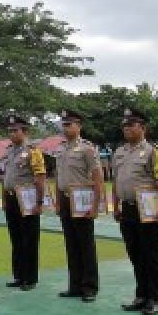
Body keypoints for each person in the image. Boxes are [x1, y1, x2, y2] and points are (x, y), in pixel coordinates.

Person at [110, 107, 158, 315]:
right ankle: (141, 294)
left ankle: (154, 298)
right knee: (135, 253)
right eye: (124, 125)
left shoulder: (154, 152)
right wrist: (116, 204)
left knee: (152, 254)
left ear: (142, 128)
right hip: (127, 208)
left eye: (131, 125)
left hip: (148, 208)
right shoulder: (119, 152)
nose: (126, 128)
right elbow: (116, 181)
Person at [55, 109, 106, 303]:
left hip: (82, 199)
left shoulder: (87, 149)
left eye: (69, 124)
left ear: (79, 126)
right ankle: (74, 285)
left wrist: (95, 205)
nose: (66, 128)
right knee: (71, 244)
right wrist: (58, 202)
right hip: (66, 199)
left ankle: (89, 286)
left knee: (85, 244)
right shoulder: (60, 149)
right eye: (64, 124)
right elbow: (59, 178)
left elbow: (97, 178)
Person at [0, 114, 46, 291]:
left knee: (29, 239)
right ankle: (18, 275)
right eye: (9, 131)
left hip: (27, 200)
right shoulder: (9, 151)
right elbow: (5, 178)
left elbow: (40, 178)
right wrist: (4, 199)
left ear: (25, 131)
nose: (11, 133)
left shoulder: (33, 151)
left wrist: (39, 202)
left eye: (15, 130)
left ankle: (30, 278)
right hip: (11, 198)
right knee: (16, 239)